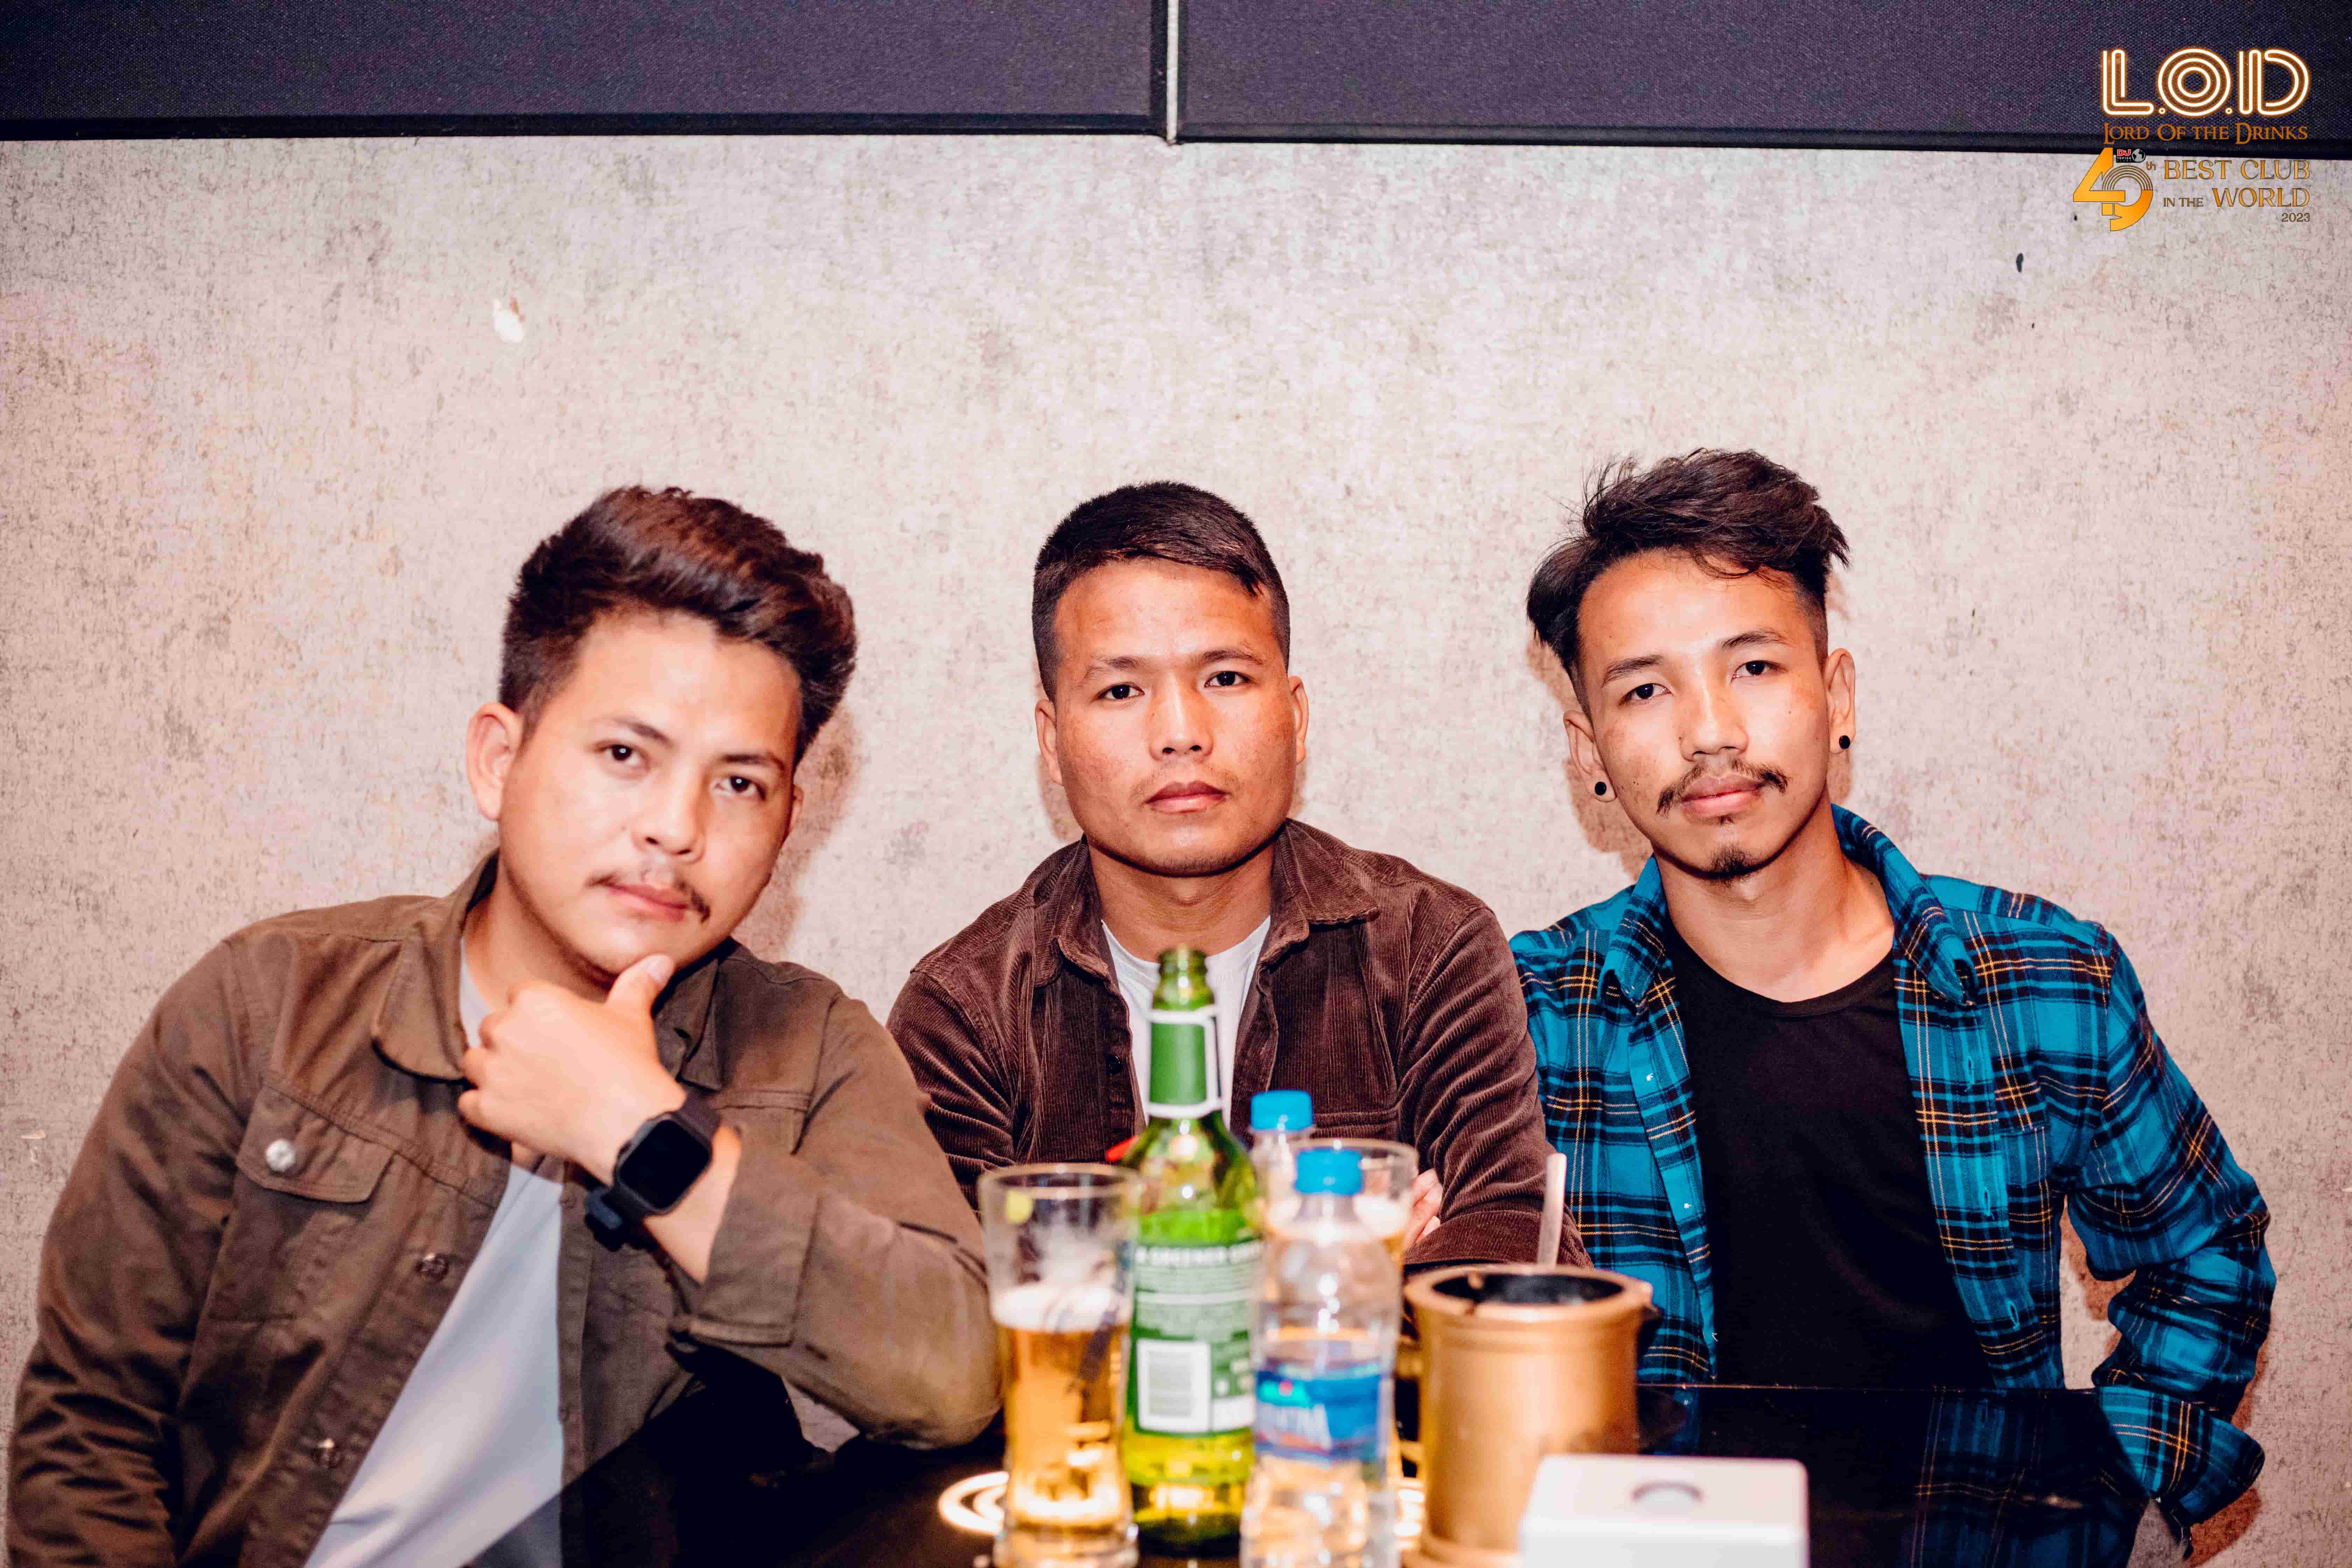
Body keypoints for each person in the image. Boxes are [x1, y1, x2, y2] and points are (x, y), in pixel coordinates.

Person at [10, 488, 997, 1567]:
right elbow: (88, 1435)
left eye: (739, 783)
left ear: (787, 821)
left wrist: (641, 1133)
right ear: (497, 759)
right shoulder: (271, 1005)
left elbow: (952, 1373)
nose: (676, 827)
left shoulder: (805, 1049)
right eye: (625, 755)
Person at [1511, 450, 2272, 1511]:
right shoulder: (1528, 1018)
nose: (1710, 731)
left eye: (1754, 667)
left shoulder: (2041, 980)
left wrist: (2100, 1486)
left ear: (1837, 694)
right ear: (1590, 747)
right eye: (1646, 689)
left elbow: (2207, 1253)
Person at [891, 481, 1576, 1268]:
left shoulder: (1429, 946)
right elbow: (950, 1312)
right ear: (1052, 740)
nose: (1181, 733)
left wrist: (1088, 1270)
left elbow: (1514, 1239)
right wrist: (1332, 1268)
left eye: (1224, 678)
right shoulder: (966, 1009)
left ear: (1296, 716)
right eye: (1121, 690)